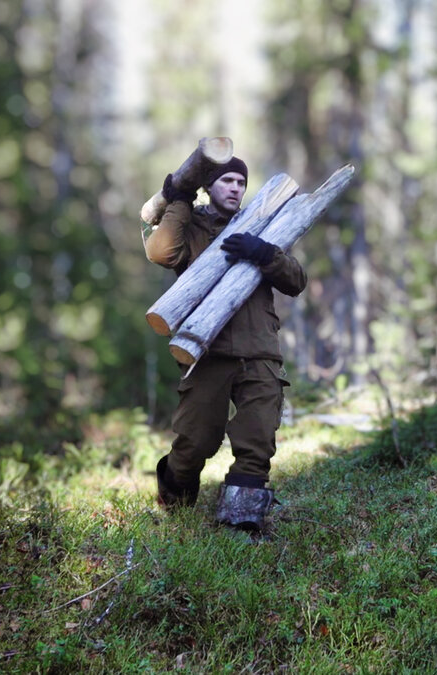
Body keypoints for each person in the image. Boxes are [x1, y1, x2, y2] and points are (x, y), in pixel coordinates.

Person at [143, 157, 306, 532]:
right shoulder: (192, 226)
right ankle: (175, 498)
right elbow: (161, 252)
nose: (235, 188)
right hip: (206, 352)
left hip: (260, 351)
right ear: (209, 186)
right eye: (226, 180)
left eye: (240, 182)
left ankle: (240, 521)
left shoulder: (260, 224)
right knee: (196, 442)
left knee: (258, 439)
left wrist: (266, 253)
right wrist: (178, 199)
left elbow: (296, 280)